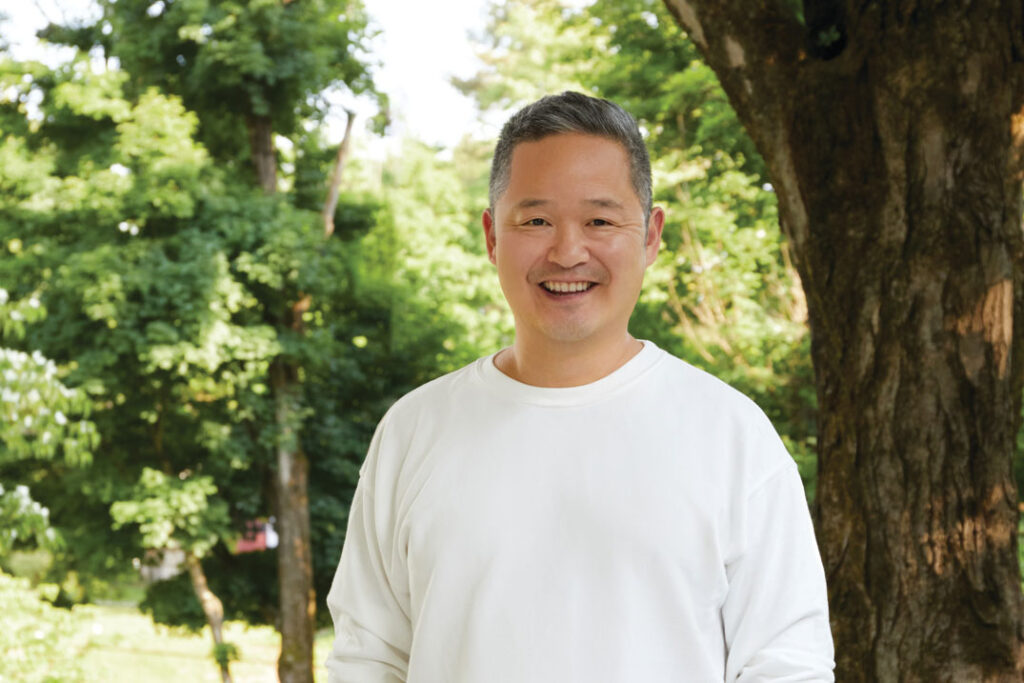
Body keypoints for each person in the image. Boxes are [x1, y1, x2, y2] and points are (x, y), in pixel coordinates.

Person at [325, 91, 835, 682]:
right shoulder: (414, 430)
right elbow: (369, 659)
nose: (568, 252)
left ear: (651, 235)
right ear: (492, 237)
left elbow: (785, 664)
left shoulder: (731, 434)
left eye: (600, 220)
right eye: (536, 221)